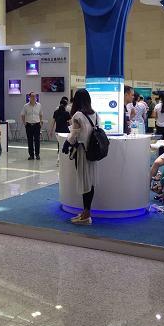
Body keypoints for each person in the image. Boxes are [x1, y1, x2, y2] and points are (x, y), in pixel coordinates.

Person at [65, 89, 99, 225]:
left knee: (84, 182)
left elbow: (74, 135)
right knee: (90, 182)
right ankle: (86, 212)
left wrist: (67, 143)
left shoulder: (78, 115)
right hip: (93, 152)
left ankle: (86, 216)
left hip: (82, 152)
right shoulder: (95, 114)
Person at [21, 92, 43, 160]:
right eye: (32, 96)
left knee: (37, 140)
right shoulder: (26, 106)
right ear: (29, 97)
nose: (34, 97)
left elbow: (41, 114)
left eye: (35, 96)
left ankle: (37, 154)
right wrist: (24, 123)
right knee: (30, 140)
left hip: (37, 125)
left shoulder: (39, 105)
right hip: (29, 125)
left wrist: (40, 122)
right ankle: (31, 155)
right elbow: (22, 115)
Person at [50, 97, 71, 166]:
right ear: (66, 106)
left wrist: (51, 131)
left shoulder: (56, 112)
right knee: (64, 146)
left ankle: (59, 161)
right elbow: (70, 123)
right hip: (65, 132)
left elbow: (53, 122)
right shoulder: (66, 113)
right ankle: (61, 160)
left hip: (57, 132)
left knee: (60, 145)